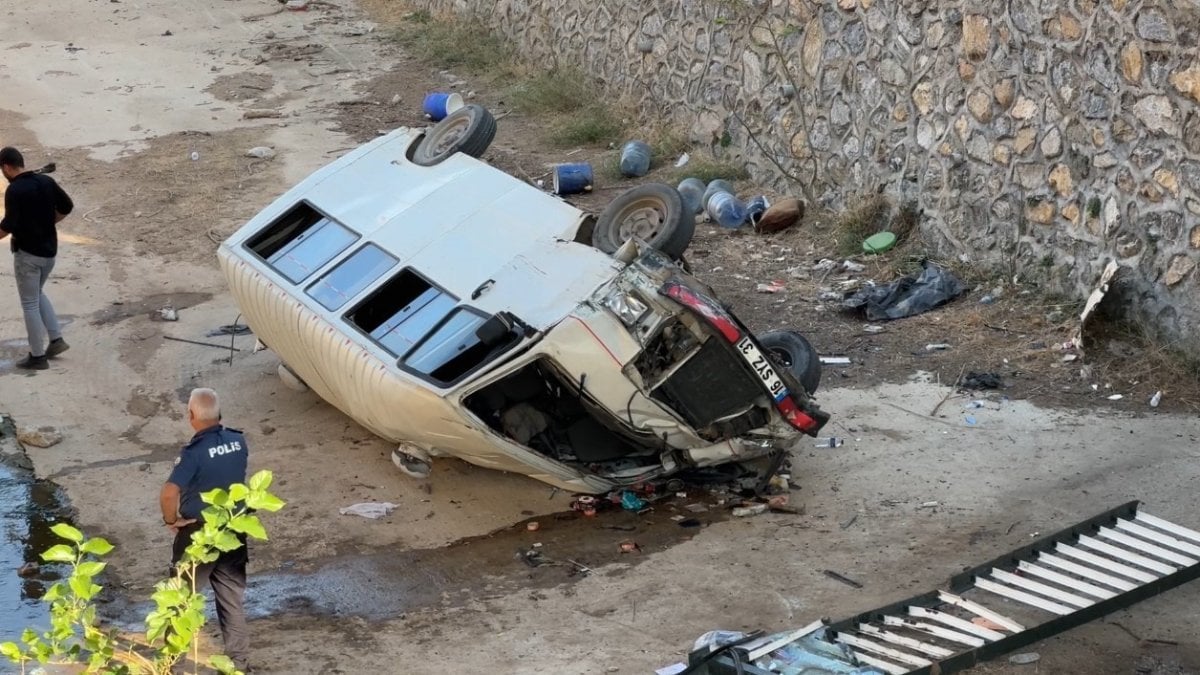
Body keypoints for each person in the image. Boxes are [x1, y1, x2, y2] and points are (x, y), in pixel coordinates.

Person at [160, 388, 251, 672]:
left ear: (191, 416)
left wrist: (171, 520)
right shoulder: (238, 441)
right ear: (218, 414)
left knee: (181, 601)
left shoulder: (193, 454)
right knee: (231, 600)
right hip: (233, 530)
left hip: (198, 535)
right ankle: (239, 664)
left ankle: (174, 665)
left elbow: (168, 492)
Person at [0, 146, 72, 370]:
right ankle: (56, 339)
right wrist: (48, 223)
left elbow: (8, 226)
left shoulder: (15, 191)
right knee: (37, 294)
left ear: (7, 167)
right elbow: (66, 206)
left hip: (28, 256)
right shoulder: (45, 182)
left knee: (29, 303)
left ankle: (37, 356)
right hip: (49, 253)